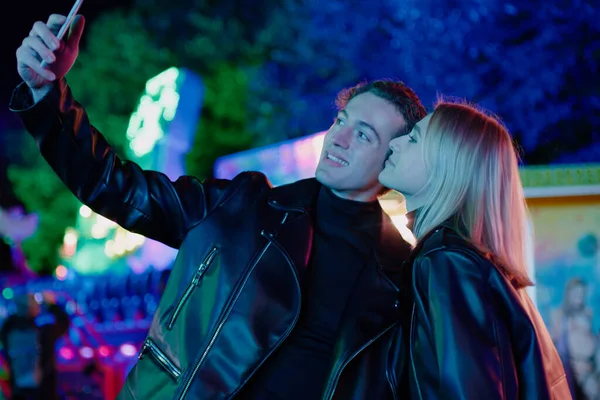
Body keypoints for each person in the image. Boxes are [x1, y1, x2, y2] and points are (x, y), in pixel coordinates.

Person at [10, 13, 427, 399]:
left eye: (364, 135)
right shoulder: (244, 206)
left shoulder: (402, 277)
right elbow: (116, 187)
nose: (338, 137)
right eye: (341, 121)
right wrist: (48, 95)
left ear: (392, 159)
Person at [378, 101, 571, 398]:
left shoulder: (447, 261)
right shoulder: (474, 261)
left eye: (414, 138)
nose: (395, 142)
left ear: (449, 164)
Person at [0, 292, 70, 400]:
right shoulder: (43, 333)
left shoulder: (8, 333)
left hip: (19, 393)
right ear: (33, 309)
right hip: (44, 393)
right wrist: (52, 304)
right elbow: (63, 322)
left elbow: (8, 323)